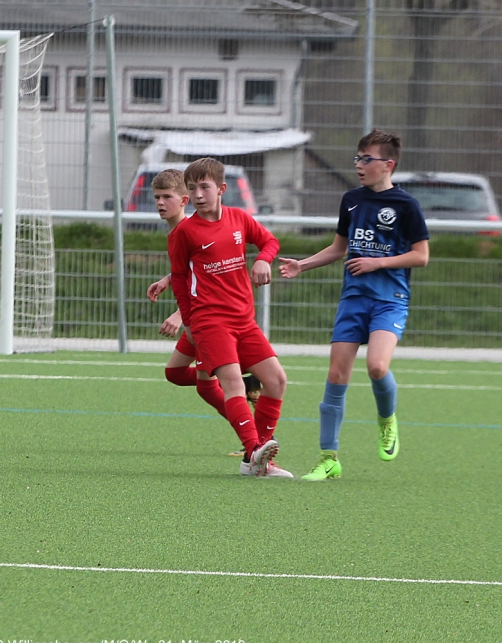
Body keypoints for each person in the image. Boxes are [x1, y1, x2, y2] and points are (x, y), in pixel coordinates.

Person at [278, 129, 429, 481]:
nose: (359, 165)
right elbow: (338, 248)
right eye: (357, 159)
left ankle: (387, 420)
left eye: (366, 159)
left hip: (390, 300)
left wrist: (378, 263)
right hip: (354, 299)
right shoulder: (351, 200)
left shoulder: (406, 205)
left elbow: (421, 256)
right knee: (336, 375)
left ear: (388, 165)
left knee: (377, 366)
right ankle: (328, 458)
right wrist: (302, 265)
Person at [168, 157, 292, 478]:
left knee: (276, 380)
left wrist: (263, 259)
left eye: (204, 187)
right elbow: (179, 278)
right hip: (210, 321)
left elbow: (270, 241)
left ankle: (258, 458)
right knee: (233, 383)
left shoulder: (239, 218)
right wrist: (188, 321)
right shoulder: (184, 232)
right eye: (192, 188)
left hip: (244, 320)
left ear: (222, 189)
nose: (198, 195)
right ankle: (253, 451)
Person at [145, 169, 262, 457]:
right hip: (202, 318)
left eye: (166, 197)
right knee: (175, 373)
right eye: (156, 197)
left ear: (183, 199)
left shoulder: (190, 228)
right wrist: (168, 279)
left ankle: (253, 439)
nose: (160, 203)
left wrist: (180, 316)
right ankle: (245, 388)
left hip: (208, 320)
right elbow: (190, 271)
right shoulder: (179, 231)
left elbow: (205, 280)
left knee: (207, 386)